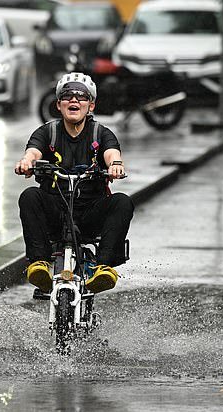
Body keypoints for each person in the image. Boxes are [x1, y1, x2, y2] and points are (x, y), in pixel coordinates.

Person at [14, 72, 134, 294]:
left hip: (90, 213)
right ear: (58, 104)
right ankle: (39, 264)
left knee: (122, 202)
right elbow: (32, 151)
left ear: (91, 105)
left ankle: (103, 267)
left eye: (81, 96)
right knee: (29, 196)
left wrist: (115, 164)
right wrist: (26, 162)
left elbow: (112, 153)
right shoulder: (47, 132)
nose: (74, 100)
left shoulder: (101, 133)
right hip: (55, 210)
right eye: (68, 96)